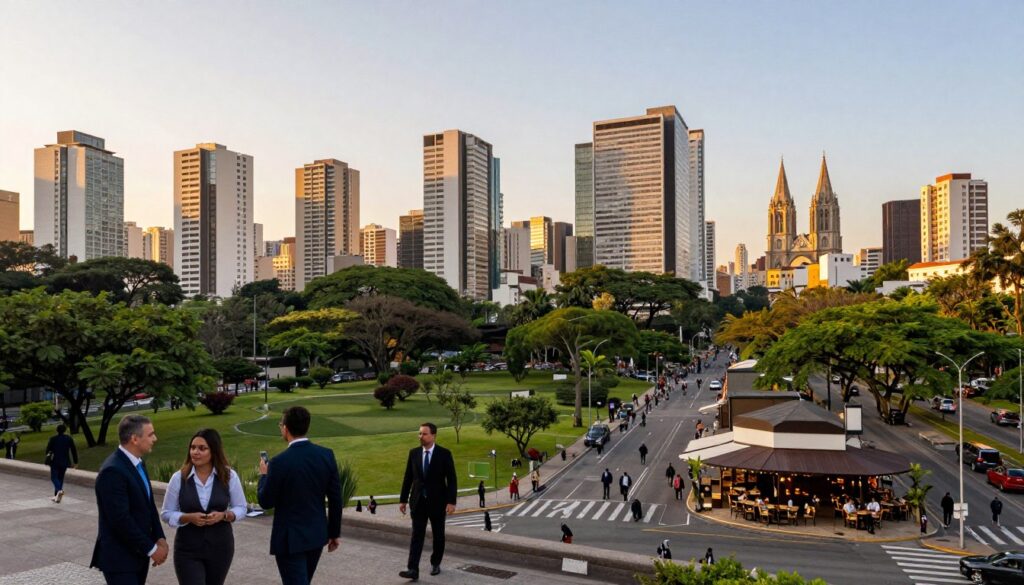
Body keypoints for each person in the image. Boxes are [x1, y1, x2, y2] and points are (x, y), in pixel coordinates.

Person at [258, 406, 343, 585]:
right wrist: (334, 532)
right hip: (316, 535)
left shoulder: (279, 462)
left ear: (286, 428)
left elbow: (266, 501)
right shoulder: (326, 455)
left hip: (290, 540)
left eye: (281, 424)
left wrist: (264, 475)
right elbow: (336, 498)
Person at [161, 428, 248, 585]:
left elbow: (241, 507)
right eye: (193, 447)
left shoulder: (229, 476)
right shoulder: (178, 478)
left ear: (213, 451)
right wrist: (187, 517)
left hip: (221, 548)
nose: (195, 452)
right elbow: (166, 513)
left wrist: (224, 515)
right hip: (187, 549)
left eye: (202, 448)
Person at [90, 415, 168, 584]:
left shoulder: (138, 463)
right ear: (134, 439)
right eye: (150, 434)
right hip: (120, 560)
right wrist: (152, 549)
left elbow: (148, 506)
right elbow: (120, 520)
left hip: (138, 556)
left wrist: (160, 537)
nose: (155, 438)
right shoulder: (112, 471)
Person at [399, 422, 458, 581]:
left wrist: (451, 502)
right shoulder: (414, 453)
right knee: (416, 535)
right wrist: (403, 500)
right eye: (419, 433)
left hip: (438, 503)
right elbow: (408, 478)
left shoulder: (444, 454)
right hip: (418, 502)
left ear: (433, 436)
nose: (421, 437)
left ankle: (435, 563)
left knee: (438, 535)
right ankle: (412, 569)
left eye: (424, 434)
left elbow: (451, 480)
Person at [45, 424, 78, 503]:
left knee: (54, 477)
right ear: (65, 430)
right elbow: (73, 450)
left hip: (55, 461)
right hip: (65, 461)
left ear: (57, 430)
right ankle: (57, 497)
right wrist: (75, 461)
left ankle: (59, 490)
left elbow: (47, 450)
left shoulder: (53, 439)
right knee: (60, 478)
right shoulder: (69, 439)